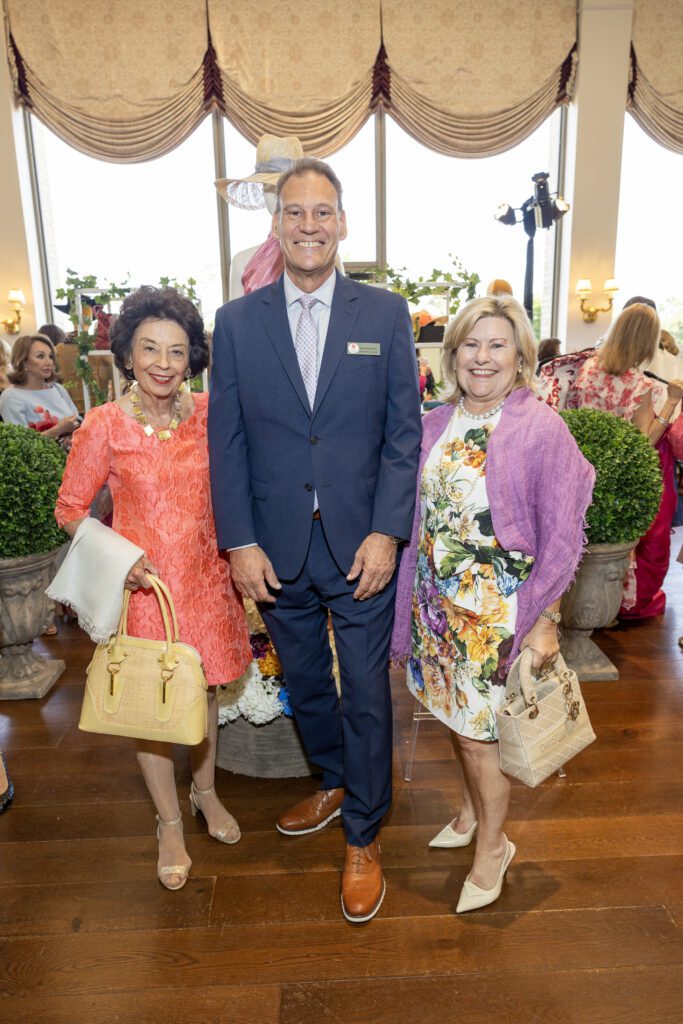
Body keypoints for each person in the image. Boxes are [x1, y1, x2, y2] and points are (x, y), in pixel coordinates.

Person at [208, 157, 422, 924]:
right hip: (275, 549)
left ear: (341, 222)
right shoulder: (235, 323)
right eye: (294, 212)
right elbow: (225, 442)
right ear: (274, 224)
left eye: (321, 212)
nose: (308, 225)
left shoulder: (384, 315)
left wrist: (387, 532)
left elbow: (403, 436)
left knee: (367, 693)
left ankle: (363, 833)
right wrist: (238, 542)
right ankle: (333, 781)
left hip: (362, 548)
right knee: (305, 685)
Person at [391, 295, 594, 914]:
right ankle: (470, 810)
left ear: (521, 356)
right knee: (459, 724)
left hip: (497, 618)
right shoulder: (435, 422)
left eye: (497, 345)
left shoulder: (540, 427)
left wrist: (544, 620)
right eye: (470, 345)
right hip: (438, 610)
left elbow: (562, 531)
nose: (482, 358)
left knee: (482, 740)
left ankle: (494, 847)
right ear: (452, 355)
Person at [55, 286, 251, 891]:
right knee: (154, 708)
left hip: (208, 584)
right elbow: (69, 508)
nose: (163, 363)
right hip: (145, 593)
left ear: (192, 356)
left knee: (207, 694)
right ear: (128, 354)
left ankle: (206, 793)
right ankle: (168, 822)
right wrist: (124, 561)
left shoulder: (213, 415)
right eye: (150, 349)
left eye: (176, 350)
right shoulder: (104, 424)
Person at [538, 302, 683, 617]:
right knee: (608, 551)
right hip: (614, 480)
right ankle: (600, 613)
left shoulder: (588, 369)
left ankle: (562, 607)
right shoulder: (637, 384)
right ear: (647, 341)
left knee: (577, 543)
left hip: (578, 468)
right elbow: (644, 441)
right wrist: (671, 404)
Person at [0, 334, 79, 446]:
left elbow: (77, 420)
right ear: (23, 361)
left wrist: (72, 434)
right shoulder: (11, 397)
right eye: (40, 356)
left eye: (51, 356)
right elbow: (21, 444)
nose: (49, 362)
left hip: (76, 457)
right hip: (45, 462)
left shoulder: (58, 389)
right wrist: (58, 429)